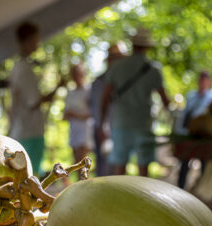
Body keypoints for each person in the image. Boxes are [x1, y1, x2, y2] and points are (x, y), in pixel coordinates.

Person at [99, 27, 170, 177]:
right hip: (143, 123)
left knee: (119, 166)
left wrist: (102, 123)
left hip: (121, 122)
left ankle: (117, 197)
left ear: (132, 44)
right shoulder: (153, 69)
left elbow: (105, 98)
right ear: (147, 47)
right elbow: (165, 100)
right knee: (143, 168)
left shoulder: (117, 67)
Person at [8, 21, 63, 175]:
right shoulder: (24, 68)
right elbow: (34, 102)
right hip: (29, 131)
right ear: (29, 40)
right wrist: (58, 87)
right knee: (29, 177)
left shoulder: (19, 66)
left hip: (23, 129)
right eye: (36, 39)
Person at [174, 71, 212, 188]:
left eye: (205, 80)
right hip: (189, 134)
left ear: (209, 82)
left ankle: (203, 189)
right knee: (184, 164)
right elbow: (185, 115)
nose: (202, 82)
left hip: (204, 135)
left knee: (204, 163)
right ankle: (180, 188)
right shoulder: (191, 95)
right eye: (200, 80)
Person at [89, 44, 125, 176]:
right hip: (104, 129)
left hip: (119, 128)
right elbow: (97, 107)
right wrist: (102, 127)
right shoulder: (99, 82)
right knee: (103, 167)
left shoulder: (122, 81)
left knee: (117, 167)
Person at [63, 64, 93, 171]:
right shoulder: (70, 92)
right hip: (74, 129)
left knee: (83, 159)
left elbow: (92, 112)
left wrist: (75, 115)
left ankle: (84, 183)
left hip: (85, 129)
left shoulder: (89, 90)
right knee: (76, 161)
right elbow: (65, 114)